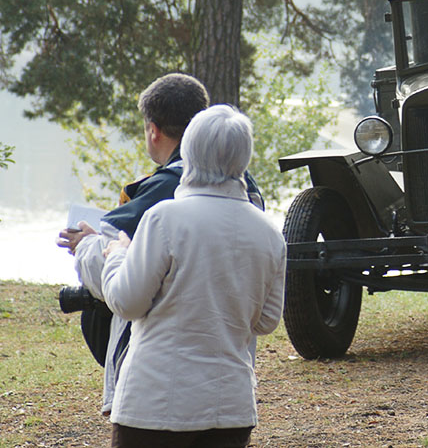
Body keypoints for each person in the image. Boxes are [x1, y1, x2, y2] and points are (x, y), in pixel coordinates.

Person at [55, 73, 262, 416]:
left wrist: (91, 247)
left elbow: (123, 294)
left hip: (159, 388)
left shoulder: (163, 201)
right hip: (232, 385)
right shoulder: (248, 190)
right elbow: (265, 316)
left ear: (153, 129)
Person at [100, 104, 286, 447]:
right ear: (244, 157)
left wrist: (116, 257)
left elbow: (126, 302)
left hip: (155, 402)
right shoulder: (269, 233)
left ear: (189, 152)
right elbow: (267, 321)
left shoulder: (165, 218)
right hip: (230, 406)